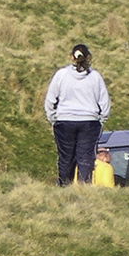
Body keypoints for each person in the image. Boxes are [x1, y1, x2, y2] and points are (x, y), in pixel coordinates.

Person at [44, 43, 111, 186]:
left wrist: (53, 118)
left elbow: (50, 99)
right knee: (85, 158)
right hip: (89, 122)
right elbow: (104, 102)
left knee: (66, 157)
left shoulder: (61, 75)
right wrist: (101, 120)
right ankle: (83, 187)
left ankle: (63, 186)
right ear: (88, 58)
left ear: (71, 57)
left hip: (64, 121)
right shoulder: (95, 77)